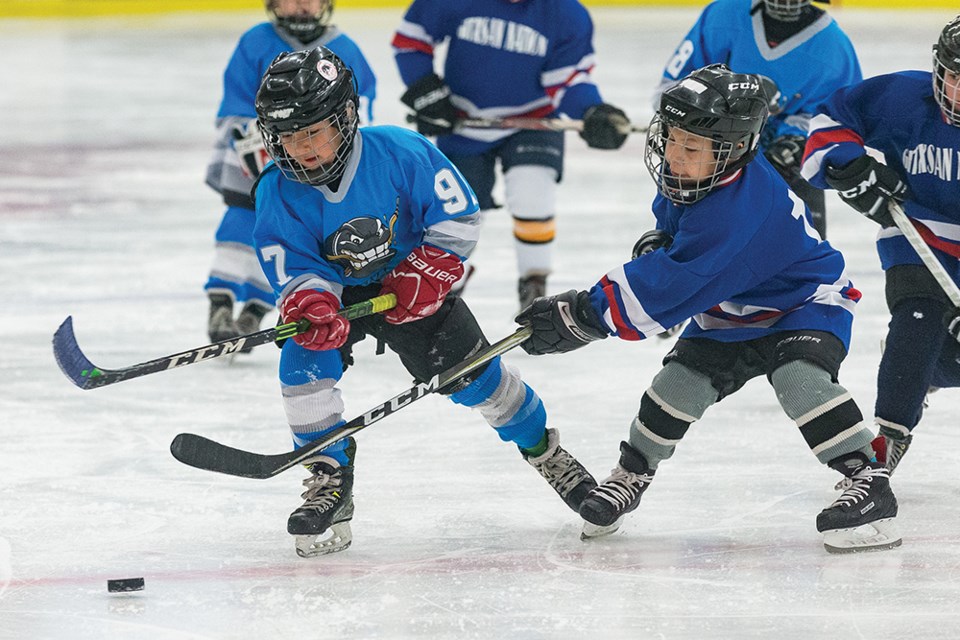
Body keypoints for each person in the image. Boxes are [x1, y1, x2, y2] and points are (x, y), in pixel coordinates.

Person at [516, 64, 901, 553]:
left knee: (798, 378)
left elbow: (678, 279)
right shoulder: (699, 176)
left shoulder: (741, 208)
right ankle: (631, 475)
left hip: (803, 302)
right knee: (676, 386)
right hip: (734, 305)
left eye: (691, 147)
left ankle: (869, 482)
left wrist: (584, 315)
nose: (674, 155)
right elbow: (682, 252)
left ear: (735, 148)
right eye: (672, 139)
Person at [251, 47, 597, 557]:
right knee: (301, 368)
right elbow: (294, 264)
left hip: (410, 278)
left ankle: (545, 451)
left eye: (311, 131)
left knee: (480, 380)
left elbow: (458, 215)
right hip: (339, 294)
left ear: (346, 115)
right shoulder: (276, 192)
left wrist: (429, 271)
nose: (298, 148)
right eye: (287, 136)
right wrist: (310, 301)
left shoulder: (399, 151)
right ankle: (330, 476)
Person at [391, 0, 631, 309]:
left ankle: (534, 284)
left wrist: (591, 110)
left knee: (532, 190)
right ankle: (444, 281)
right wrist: (427, 92)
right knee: (456, 211)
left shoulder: (565, 13)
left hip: (533, 121)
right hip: (463, 122)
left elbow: (568, 79)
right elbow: (411, 40)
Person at [800, 14, 960, 478]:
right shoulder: (902, 98)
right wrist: (848, 164)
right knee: (917, 328)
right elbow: (833, 116)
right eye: (955, 78)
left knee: (940, 356)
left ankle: (932, 373)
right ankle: (887, 440)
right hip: (919, 240)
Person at [203, 0, 376, 345]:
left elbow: (362, 103)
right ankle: (220, 299)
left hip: (314, 157)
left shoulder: (344, 49)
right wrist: (243, 134)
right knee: (240, 216)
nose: (299, 6)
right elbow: (235, 100)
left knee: (286, 229)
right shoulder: (256, 41)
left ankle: (257, 306)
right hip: (252, 155)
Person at [654, 0, 862, 239]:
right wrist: (712, 115)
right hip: (706, 162)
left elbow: (840, 122)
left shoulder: (834, 49)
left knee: (797, 254)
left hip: (786, 174)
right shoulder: (723, 16)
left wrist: (797, 140)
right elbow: (670, 90)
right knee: (679, 248)